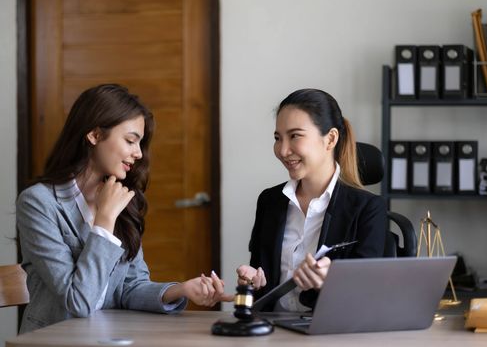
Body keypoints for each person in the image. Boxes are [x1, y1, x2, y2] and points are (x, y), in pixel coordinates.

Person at [17, 84, 233, 333]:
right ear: (94, 135)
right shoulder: (38, 203)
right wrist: (105, 221)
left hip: (107, 336)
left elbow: (130, 287)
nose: (138, 153)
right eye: (131, 141)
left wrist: (181, 289)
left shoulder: (121, 198)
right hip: (54, 339)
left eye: (140, 144)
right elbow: (77, 301)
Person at [236, 89, 386, 312]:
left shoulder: (368, 209)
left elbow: (369, 295)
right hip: (271, 332)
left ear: (331, 139)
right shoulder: (270, 201)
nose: (283, 150)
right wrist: (252, 281)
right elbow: (261, 280)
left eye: (295, 136)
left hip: (329, 333)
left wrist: (329, 283)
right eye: (278, 138)